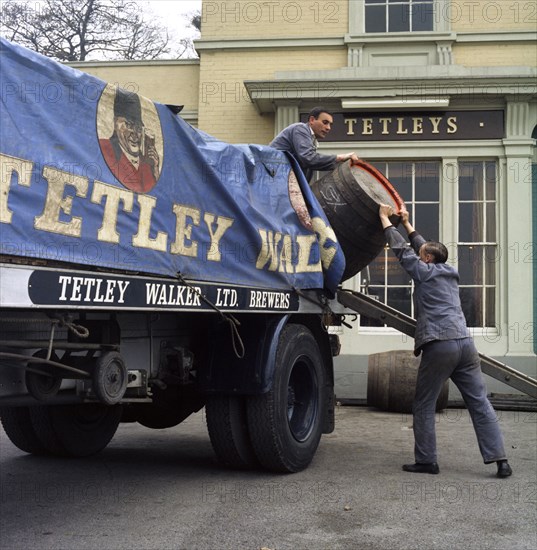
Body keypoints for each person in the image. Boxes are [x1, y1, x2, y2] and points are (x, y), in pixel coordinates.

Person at [378, 204, 512, 478]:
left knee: (424, 403)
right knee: (479, 401)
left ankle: (427, 461)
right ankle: (501, 460)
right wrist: (407, 222)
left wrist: (385, 220)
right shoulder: (449, 272)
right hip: (465, 344)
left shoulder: (424, 271)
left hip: (441, 344)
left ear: (426, 259)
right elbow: (422, 247)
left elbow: (403, 251)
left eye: (423, 253)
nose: (420, 252)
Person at [270, 106, 360, 182]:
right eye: (325, 122)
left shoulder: (311, 139)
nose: (328, 128)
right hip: (273, 179)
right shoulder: (300, 129)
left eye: (330, 124)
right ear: (312, 120)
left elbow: (311, 162)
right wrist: (340, 157)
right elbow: (309, 158)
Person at [99, 88, 160, 193]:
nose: (135, 135)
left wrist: (155, 170)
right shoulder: (102, 147)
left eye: (138, 128)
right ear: (116, 123)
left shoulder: (147, 165)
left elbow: (159, 199)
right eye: (129, 125)